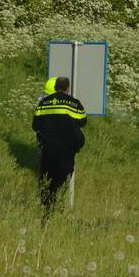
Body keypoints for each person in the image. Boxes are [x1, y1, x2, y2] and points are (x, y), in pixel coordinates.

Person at [32, 76, 87, 210]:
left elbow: (35, 125)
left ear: (55, 87)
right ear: (68, 89)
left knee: (47, 181)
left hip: (48, 149)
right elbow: (82, 121)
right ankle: (57, 206)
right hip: (66, 150)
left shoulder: (44, 103)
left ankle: (47, 209)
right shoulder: (74, 103)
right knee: (61, 180)